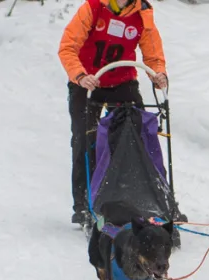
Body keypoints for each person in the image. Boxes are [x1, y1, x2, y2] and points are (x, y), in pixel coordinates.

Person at [59, 0, 168, 226]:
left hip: (122, 81)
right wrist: (79, 75)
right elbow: (68, 47)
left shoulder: (142, 12)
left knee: (137, 137)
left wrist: (158, 74)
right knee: (85, 139)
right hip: (87, 82)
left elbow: (153, 52)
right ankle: (83, 204)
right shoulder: (93, 7)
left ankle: (150, 198)